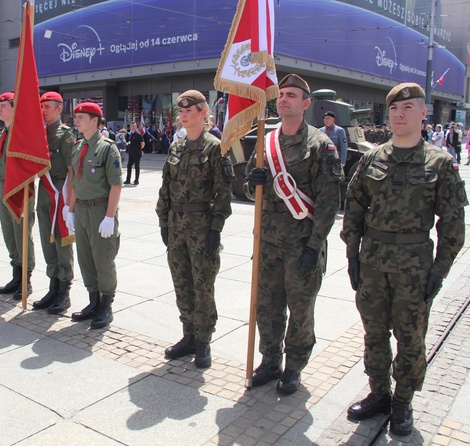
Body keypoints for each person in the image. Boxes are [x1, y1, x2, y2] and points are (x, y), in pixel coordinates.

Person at [341, 82, 466, 436]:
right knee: (374, 333)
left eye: (408, 107)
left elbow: (453, 225)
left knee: (410, 337)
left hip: (414, 267)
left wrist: (439, 270)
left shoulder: (440, 163)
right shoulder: (372, 157)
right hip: (373, 263)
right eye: (394, 108)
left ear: (423, 114)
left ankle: (403, 400)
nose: (399, 114)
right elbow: (354, 207)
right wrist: (352, 255)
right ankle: (379, 393)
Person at [245, 74, 343, 394]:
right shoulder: (266, 140)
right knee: (267, 306)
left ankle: (294, 367)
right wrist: (254, 182)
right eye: (281, 94)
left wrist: (315, 247)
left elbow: (329, 202)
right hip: (268, 243)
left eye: (291, 95)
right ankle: (270, 360)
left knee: (301, 310)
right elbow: (249, 190)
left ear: (305, 104)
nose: (283, 99)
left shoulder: (320, 145)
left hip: (302, 245)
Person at [156, 90, 233, 369]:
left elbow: (223, 192)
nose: (183, 115)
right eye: (181, 111)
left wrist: (216, 228)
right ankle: (188, 335)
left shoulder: (215, 147)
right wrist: (163, 221)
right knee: (181, 283)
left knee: (203, 286)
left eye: (189, 111)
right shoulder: (176, 147)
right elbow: (165, 187)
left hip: (201, 229)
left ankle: (203, 341)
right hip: (176, 227)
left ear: (203, 113)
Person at [66, 102, 122, 329]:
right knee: (85, 258)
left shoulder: (108, 148)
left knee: (103, 260)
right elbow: (74, 182)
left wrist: (109, 217)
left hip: (100, 209)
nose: (76, 121)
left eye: (81, 117)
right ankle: (93, 302)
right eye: (76, 117)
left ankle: (106, 306)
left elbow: (116, 185)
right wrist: (69, 210)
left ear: (95, 121)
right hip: (81, 209)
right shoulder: (78, 147)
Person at [0, 92, 35, 299]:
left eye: (4, 105)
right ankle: (16, 276)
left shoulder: (22, 134)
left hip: (20, 189)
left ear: (15, 108)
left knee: (22, 235)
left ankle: (26, 279)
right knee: (9, 235)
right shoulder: (2, 134)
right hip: (4, 188)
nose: (0, 109)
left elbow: (29, 166)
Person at [31, 91, 76, 314]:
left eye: (48, 106)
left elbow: (72, 171)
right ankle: (52, 287)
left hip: (60, 191)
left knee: (62, 242)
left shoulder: (65, 135)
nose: (43, 110)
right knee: (47, 242)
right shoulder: (38, 134)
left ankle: (64, 291)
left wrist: (70, 205)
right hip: (44, 193)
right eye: (42, 106)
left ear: (59, 109)